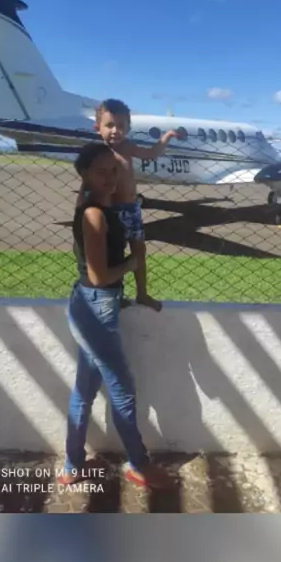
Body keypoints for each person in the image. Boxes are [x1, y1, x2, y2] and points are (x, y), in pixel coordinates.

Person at [64, 141, 172, 489]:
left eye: (113, 171)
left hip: (94, 304)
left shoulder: (98, 205)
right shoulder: (94, 214)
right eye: (101, 172)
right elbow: (99, 276)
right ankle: (138, 465)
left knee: (85, 390)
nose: (110, 178)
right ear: (84, 174)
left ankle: (72, 465)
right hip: (95, 307)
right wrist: (131, 263)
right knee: (122, 390)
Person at [90, 98, 180, 312]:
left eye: (121, 126)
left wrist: (165, 138)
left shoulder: (128, 147)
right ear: (98, 128)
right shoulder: (98, 154)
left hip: (131, 209)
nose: (115, 131)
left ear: (128, 128)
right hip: (110, 213)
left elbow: (152, 153)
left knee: (139, 252)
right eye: (109, 125)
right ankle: (116, 295)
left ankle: (142, 293)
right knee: (114, 257)